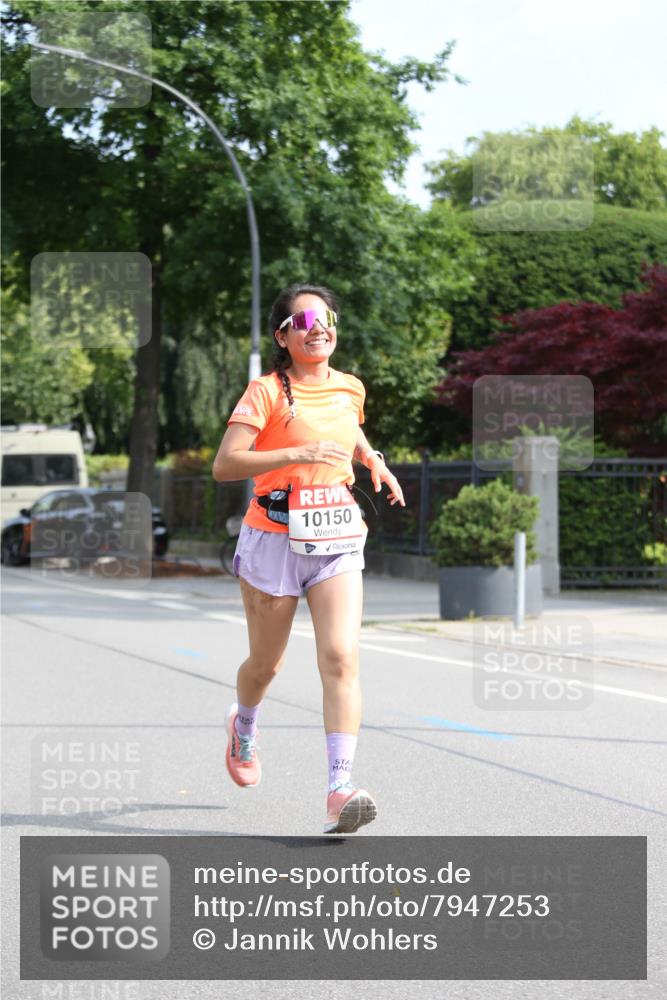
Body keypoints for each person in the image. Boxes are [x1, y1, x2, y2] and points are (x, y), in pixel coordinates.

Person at [212, 283, 404, 834]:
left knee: (341, 657)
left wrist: (373, 458)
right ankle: (244, 725)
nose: (318, 328)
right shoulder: (266, 391)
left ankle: (339, 791)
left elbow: (349, 428)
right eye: (304, 321)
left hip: (336, 532)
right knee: (265, 665)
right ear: (282, 336)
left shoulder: (349, 387)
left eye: (326, 319)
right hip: (273, 535)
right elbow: (226, 465)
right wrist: (296, 452)